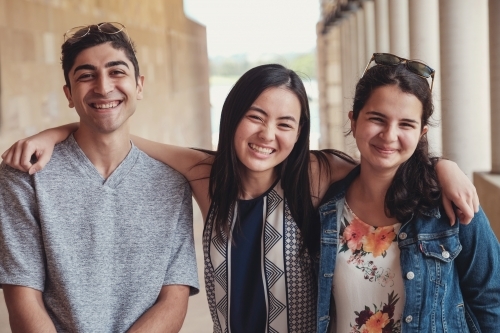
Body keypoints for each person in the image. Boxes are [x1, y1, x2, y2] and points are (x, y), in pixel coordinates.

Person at [2, 63, 479, 332]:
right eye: (255, 116)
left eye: (286, 124)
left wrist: (444, 166)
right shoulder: (206, 177)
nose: (268, 134)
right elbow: (121, 137)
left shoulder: (313, 175)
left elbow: (387, 153)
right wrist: (56, 131)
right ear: (232, 116)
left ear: (300, 133)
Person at [0, 22, 199, 333]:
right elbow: (22, 295)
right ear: (69, 94)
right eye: (86, 75)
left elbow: (174, 296)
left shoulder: (172, 183)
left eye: (116, 72)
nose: (104, 87)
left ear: (139, 85)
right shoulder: (26, 175)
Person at [315, 53, 500, 333]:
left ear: (421, 133)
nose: (389, 135)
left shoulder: (450, 205)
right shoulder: (325, 205)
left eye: (406, 124)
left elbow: (491, 299)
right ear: (353, 121)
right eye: (377, 119)